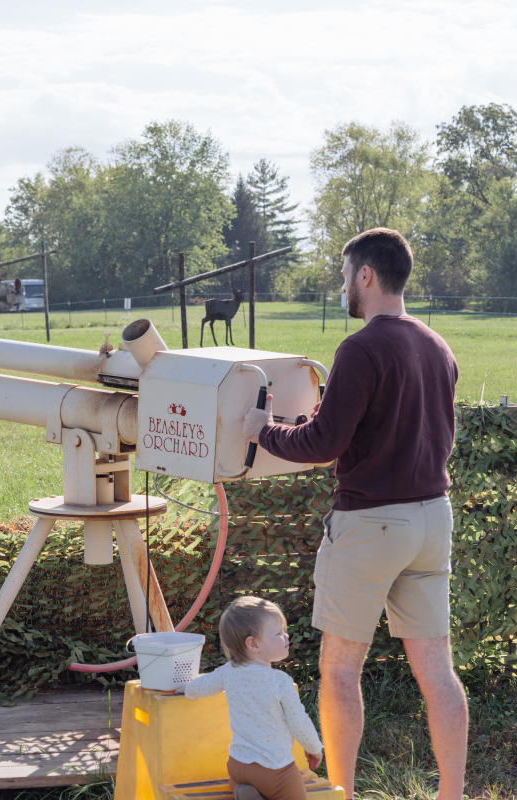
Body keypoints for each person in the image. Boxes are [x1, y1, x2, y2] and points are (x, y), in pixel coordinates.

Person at [242, 228, 466, 800]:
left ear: (366, 275)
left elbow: (322, 443)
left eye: (345, 275)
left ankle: (340, 792)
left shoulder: (361, 348)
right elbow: (424, 431)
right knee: (437, 669)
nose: (343, 286)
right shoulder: (438, 347)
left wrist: (262, 431)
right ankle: (453, 793)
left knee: (341, 668)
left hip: (370, 524)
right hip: (433, 518)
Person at [184, 596, 323, 800]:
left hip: (238, 765)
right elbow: (299, 722)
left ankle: (243, 791)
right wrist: (314, 749)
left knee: (238, 783)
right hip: (275, 771)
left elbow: (199, 688)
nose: (286, 636)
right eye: (278, 633)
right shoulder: (280, 681)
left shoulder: (228, 672)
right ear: (253, 644)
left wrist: (184, 688)